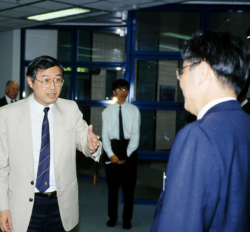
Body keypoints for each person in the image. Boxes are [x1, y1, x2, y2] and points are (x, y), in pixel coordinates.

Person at [151, 30, 250, 231]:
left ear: (203, 71)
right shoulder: (245, 123)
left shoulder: (197, 135)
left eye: (183, 70)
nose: (180, 80)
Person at [0, 55, 101, 232]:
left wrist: (91, 145)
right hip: (22, 204)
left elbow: (83, 139)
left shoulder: (70, 108)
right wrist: (2, 207)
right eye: (46, 80)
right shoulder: (7, 114)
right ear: (31, 81)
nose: (53, 87)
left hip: (61, 203)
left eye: (58, 80)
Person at [102, 79, 140, 230]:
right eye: (119, 89)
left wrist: (127, 154)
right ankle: (112, 217)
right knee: (112, 188)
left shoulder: (134, 110)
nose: (122, 93)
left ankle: (126, 219)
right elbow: (104, 136)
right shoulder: (107, 112)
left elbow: (136, 135)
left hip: (129, 148)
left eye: (125, 89)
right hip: (112, 147)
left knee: (129, 188)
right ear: (114, 92)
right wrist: (111, 154)